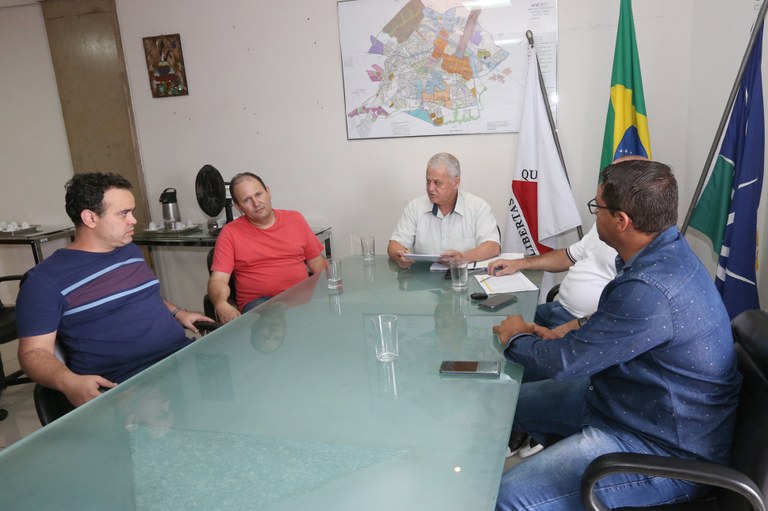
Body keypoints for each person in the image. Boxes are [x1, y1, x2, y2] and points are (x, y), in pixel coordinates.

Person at [492, 159, 741, 510]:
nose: (595, 214)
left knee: (507, 497)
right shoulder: (662, 252)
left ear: (621, 221)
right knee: (508, 406)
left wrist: (515, 337)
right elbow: (619, 321)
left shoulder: (651, 286)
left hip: (661, 449)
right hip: (626, 403)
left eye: (598, 207)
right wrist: (571, 330)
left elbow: (564, 363)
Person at [16, 172, 212, 407]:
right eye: (123, 213)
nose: (133, 220)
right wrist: (68, 381)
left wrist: (178, 312)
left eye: (132, 211)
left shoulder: (129, 251)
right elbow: (33, 353)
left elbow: (142, 296)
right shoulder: (44, 281)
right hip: (128, 387)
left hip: (179, 359)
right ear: (90, 218)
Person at [208, 172, 326, 323]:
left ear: (268, 192)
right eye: (247, 200)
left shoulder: (294, 219)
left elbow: (316, 262)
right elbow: (218, 279)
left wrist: (331, 290)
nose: (256, 203)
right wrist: (221, 304)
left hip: (300, 298)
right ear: (238, 207)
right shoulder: (230, 233)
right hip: (260, 305)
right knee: (279, 323)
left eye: (258, 194)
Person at [488, 223, 616, 333]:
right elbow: (567, 256)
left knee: (514, 342)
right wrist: (520, 263)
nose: (596, 211)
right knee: (500, 325)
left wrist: (563, 330)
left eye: (599, 207)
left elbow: (618, 314)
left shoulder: (627, 249)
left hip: (581, 323)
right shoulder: (602, 226)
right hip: (558, 307)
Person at [388, 152, 501, 268]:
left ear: (456, 182)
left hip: (465, 276)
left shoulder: (478, 207)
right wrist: (399, 256)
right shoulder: (415, 207)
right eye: (428, 181)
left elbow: (493, 246)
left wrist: (462, 257)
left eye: (437, 183)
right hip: (424, 277)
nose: (430, 188)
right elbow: (394, 244)